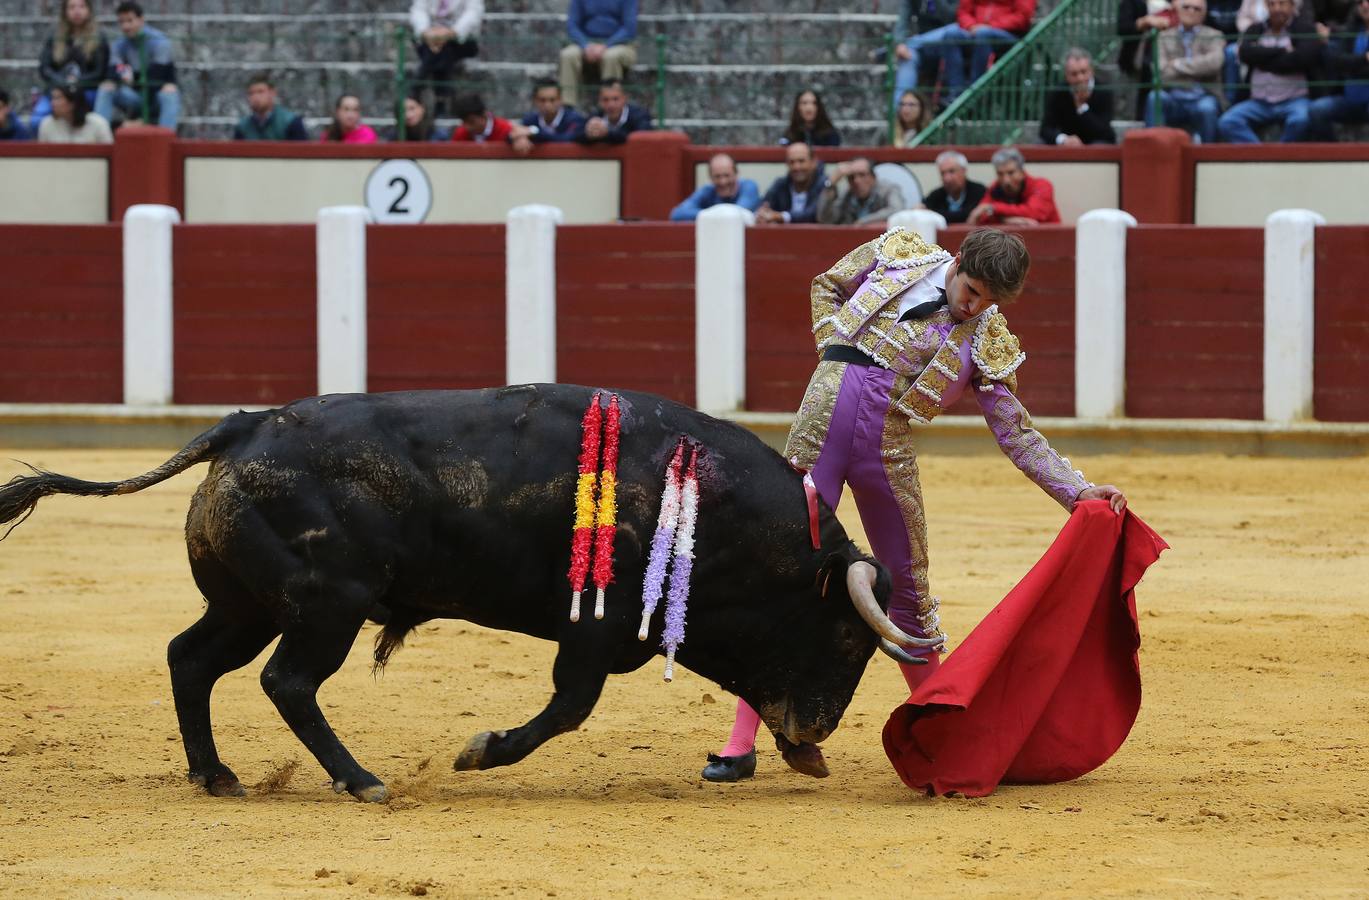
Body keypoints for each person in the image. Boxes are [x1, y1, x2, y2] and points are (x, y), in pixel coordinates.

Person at [700, 226, 1127, 782]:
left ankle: (939, 737)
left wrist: (1076, 490)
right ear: (959, 264)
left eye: (989, 301)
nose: (974, 306)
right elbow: (826, 284)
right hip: (820, 428)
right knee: (780, 572)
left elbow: (1015, 433)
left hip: (886, 449)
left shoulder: (986, 335)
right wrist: (835, 352)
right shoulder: (901, 252)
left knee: (909, 588)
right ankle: (740, 743)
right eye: (972, 290)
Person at [1218, 0, 1320, 142]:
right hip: (1259, 103)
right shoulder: (1256, 29)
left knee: (1301, 120)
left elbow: (1302, 59)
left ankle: (1279, 157)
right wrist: (1282, 51)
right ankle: (1260, 156)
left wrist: (1261, 57)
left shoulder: (1304, 29)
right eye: (1272, 4)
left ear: (1292, 6)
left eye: (1281, 3)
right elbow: (1245, 53)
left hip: (1294, 101)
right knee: (1227, 122)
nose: (1277, 8)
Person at [1149, 0, 1227, 143]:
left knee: (1207, 108)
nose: (1191, 11)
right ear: (1178, 9)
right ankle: (1153, 150)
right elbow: (1160, 72)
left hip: (1203, 96)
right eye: (1186, 7)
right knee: (1155, 97)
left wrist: (1177, 64)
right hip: (1173, 96)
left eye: (1197, 8)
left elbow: (1214, 64)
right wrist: (1198, 68)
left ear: (1204, 13)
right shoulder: (1164, 36)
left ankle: (1208, 158)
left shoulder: (1215, 35)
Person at [95, 1, 179, 132]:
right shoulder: (119, 45)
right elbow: (112, 71)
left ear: (141, 20)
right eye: (122, 22)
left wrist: (142, 119)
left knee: (169, 93)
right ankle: (99, 139)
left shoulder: (160, 41)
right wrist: (121, 77)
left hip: (154, 96)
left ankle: (165, 140)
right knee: (106, 88)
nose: (126, 26)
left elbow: (156, 77)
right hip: (134, 95)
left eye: (130, 20)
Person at [937, 0, 1038, 103]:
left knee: (983, 34)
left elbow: (1022, 17)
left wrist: (990, 26)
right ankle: (955, 93)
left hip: (1009, 34)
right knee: (951, 35)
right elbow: (963, 12)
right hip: (976, 30)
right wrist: (970, 25)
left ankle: (974, 91)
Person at [1307, 0, 1369, 140]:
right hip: (1348, 98)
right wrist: (1364, 59)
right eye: (1360, 2)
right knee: (1317, 110)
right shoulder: (1352, 29)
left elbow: (1346, 63)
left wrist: (1352, 66)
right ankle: (1331, 155)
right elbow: (1338, 62)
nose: (1364, 5)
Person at [560, 0, 638, 108]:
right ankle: (568, 107)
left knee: (611, 56)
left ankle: (610, 106)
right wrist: (586, 45)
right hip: (587, 43)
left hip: (620, 44)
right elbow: (572, 26)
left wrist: (606, 45)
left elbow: (629, 29)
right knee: (568, 55)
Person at [891, 0, 963, 112]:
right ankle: (899, 113)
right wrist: (900, 43)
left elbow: (951, 16)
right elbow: (902, 22)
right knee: (907, 58)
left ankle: (910, 43)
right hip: (923, 47)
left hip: (951, 42)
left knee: (952, 30)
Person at [409, 0, 481, 105]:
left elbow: (473, 13)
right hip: (430, 39)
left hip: (462, 40)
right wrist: (427, 32)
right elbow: (418, 11)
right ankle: (442, 100)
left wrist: (451, 33)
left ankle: (416, 88)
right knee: (441, 52)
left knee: (441, 51)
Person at [1040, 48, 1117, 145]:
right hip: (1067, 144)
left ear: (1091, 71)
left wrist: (1081, 107)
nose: (1080, 78)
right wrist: (1064, 139)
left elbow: (1103, 131)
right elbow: (1045, 129)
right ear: (1066, 75)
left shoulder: (1104, 91)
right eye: (1074, 74)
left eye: (1083, 72)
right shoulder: (1058, 92)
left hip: (1096, 142)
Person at [966, 146, 1059, 226]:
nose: (1006, 180)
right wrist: (1005, 220)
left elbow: (1035, 213)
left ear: (1022, 172)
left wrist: (994, 208)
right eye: (1000, 174)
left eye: (1011, 173)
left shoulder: (1041, 185)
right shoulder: (995, 188)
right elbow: (980, 216)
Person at [668, 153, 761, 222]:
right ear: (710, 178)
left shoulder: (748, 187)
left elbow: (736, 214)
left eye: (727, 175)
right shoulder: (708, 190)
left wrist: (708, 215)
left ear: (736, 174)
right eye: (717, 176)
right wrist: (711, 215)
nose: (723, 182)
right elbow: (677, 214)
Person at [816, 157, 905, 226]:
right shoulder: (847, 194)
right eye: (851, 177)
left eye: (862, 175)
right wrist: (830, 184)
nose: (856, 181)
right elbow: (825, 219)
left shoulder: (888, 189)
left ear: (873, 177)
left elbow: (897, 210)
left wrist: (863, 222)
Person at [756, 141, 828, 225]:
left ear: (813, 162)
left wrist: (781, 216)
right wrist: (763, 214)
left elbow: (814, 213)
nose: (796, 167)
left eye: (801, 161)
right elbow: (765, 205)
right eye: (792, 162)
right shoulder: (781, 184)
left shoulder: (825, 184)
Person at [510, 77, 587, 154]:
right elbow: (511, 135)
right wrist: (520, 138)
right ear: (535, 100)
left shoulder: (574, 119)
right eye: (542, 100)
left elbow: (568, 138)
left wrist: (534, 132)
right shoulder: (530, 119)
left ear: (560, 100)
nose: (547, 105)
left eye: (552, 100)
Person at [233, 71, 307, 140]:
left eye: (260, 92)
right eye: (251, 93)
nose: (255, 97)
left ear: (272, 93)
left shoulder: (291, 123)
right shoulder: (243, 127)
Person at [920, 150, 988, 224]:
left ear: (964, 171)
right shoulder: (936, 195)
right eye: (943, 173)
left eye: (951, 171)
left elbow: (966, 215)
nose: (947, 178)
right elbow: (922, 210)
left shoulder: (979, 191)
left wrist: (932, 214)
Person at [579, 78, 652, 143]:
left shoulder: (640, 115)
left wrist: (607, 133)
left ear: (625, 99)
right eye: (605, 100)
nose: (611, 105)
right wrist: (588, 134)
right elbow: (575, 135)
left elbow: (642, 136)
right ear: (599, 101)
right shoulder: (595, 115)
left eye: (615, 99)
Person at [38, 84, 112, 144]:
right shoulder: (47, 124)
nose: (52, 103)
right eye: (52, 98)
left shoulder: (98, 123)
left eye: (58, 98)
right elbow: (42, 157)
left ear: (72, 103)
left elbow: (109, 155)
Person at [449, 92, 514, 142]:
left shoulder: (505, 129)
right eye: (463, 122)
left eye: (471, 122)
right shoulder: (460, 133)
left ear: (484, 115)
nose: (467, 127)